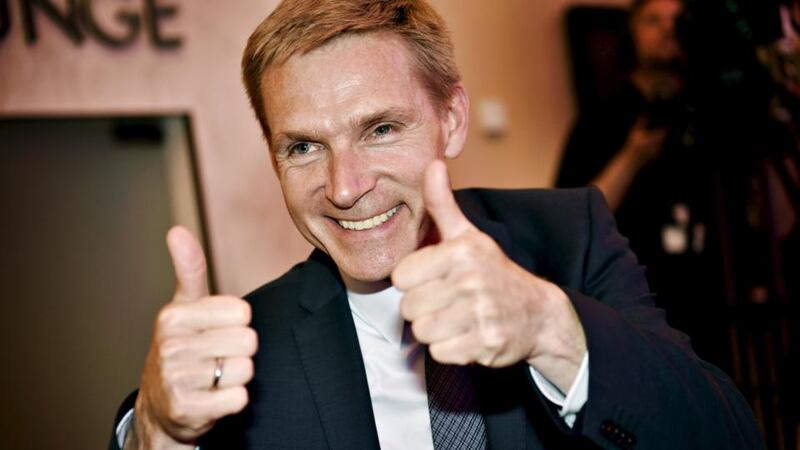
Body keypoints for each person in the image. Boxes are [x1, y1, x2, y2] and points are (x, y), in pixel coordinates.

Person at [111, 0, 762, 449]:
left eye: (380, 129)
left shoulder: (569, 240)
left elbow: (728, 437)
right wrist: (156, 433)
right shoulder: (249, 349)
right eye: (304, 147)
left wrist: (550, 330)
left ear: (451, 119)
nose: (344, 187)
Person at [555, 0, 727, 366]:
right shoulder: (600, 118)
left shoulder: (712, 110)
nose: (667, 29)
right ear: (631, 33)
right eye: (653, 20)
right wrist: (632, 156)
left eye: (676, 20)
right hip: (634, 300)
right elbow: (572, 218)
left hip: (710, 298)